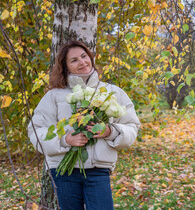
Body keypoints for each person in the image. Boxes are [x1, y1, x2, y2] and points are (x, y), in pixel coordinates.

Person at [28, 40, 141, 210]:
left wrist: (110, 131)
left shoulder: (111, 92)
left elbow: (132, 125)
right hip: (63, 171)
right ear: (65, 67)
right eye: (74, 60)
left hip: (98, 170)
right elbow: (36, 130)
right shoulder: (54, 96)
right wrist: (65, 140)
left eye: (84, 56)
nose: (82, 62)